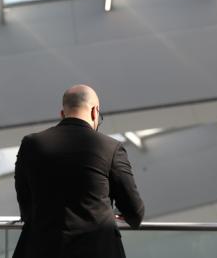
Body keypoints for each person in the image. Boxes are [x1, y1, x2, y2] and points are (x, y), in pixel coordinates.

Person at [12, 84, 145, 258]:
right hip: (97, 249)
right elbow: (135, 212)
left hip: (41, 249)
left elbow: (25, 201)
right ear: (94, 112)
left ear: (62, 113)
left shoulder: (31, 144)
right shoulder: (111, 148)